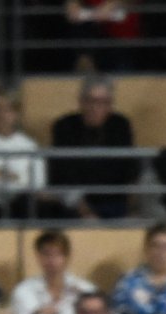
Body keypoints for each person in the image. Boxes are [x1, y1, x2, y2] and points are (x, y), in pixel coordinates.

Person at [48, 74, 138, 221]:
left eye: (103, 102)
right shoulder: (64, 126)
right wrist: (86, 212)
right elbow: (63, 174)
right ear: (81, 102)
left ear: (110, 105)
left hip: (116, 201)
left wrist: (131, 210)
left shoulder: (121, 125)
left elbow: (131, 170)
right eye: (91, 101)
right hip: (76, 205)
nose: (95, 108)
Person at [10, 229, 95, 314]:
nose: (51, 260)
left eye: (57, 254)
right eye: (46, 254)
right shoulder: (24, 291)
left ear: (67, 257)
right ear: (38, 256)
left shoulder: (85, 290)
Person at [0, 85, 46, 220]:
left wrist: (1, 173)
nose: (2, 115)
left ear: (16, 113)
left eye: (8, 109)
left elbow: (37, 184)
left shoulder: (29, 145)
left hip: (22, 204)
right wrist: (13, 177)